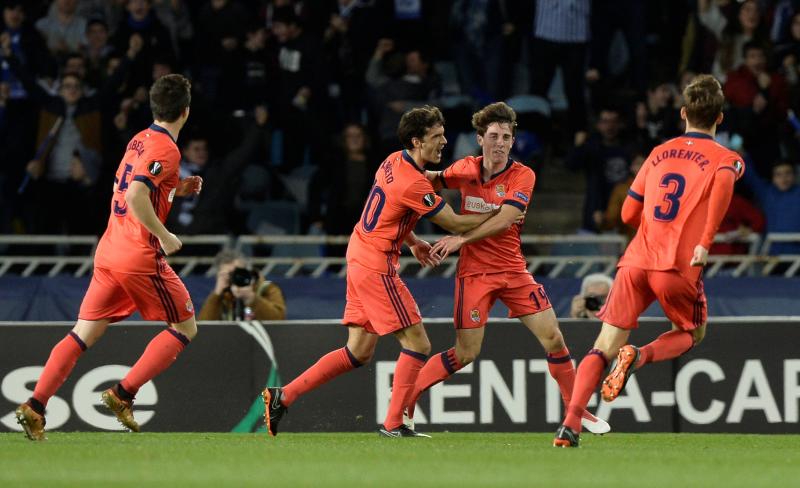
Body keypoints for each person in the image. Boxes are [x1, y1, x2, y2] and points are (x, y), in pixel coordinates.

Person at [262, 105, 502, 438]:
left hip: (360, 253)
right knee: (418, 343)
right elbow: (456, 223)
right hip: (375, 264)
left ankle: (283, 396)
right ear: (417, 141)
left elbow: (390, 212)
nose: (444, 141)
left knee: (358, 351)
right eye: (436, 136)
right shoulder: (413, 183)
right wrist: (502, 214)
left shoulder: (393, 161)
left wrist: (414, 241)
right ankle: (394, 423)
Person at [553, 74, 744, 447]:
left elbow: (626, 214)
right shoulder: (727, 158)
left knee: (602, 344)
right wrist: (704, 241)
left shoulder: (659, 153)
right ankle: (638, 357)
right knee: (692, 332)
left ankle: (570, 425)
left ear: (683, 113)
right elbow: (723, 185)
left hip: (636, 259)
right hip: (677, 264)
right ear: (720, 118)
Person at [15, 74, 202, 441]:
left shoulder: (139, 140)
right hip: (138, 255)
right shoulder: (168, 149)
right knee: (185, 327)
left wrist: (176, 188)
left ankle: (35, 406)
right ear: (186, 112)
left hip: (109, 251)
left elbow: (133, 186)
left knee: (83, 333)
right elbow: (135, 196)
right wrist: (164, 236)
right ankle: (123, 394)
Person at [404, 102, 609, 435]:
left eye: (506, 137)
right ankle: (405, 400)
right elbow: (426, 179)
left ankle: (578, 411)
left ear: (513, 142)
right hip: (474, 274)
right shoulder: (463, 169)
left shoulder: (522, 175)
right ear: (481, 138)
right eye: (494, 136)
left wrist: (460, 238)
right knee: (466, 353)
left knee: (554, 338)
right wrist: (397, 171)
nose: (500, 143)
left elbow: (504, 220)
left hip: (513, 271)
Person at [198, 249, 286, 321]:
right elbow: (204, 328)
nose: (234, 278)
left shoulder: (267, 288)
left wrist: (251, 298)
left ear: (248, 271)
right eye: (229, 274)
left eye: (238, 272)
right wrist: (217, 294)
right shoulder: (222, 296)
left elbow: (278, 320)